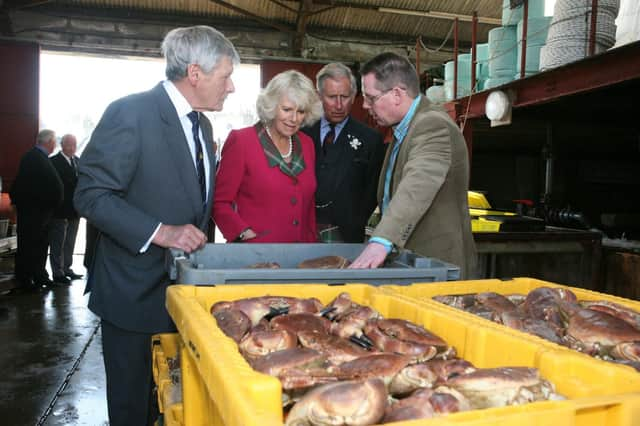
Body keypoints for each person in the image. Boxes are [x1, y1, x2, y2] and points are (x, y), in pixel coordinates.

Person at [73, 26, 239, 426]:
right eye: (226, 76)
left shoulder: (203, 126)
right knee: (133, 409)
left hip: (179, 296)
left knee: (169, 404)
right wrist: (161, 232)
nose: (231, 87)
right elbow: (91, 195)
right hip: (131, 294)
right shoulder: (130, 113)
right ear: (195, 73)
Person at [350, 52, 477, 279]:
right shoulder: (403, 130)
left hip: (436, 267)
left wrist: (382, 240)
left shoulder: (432, 125)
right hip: (411, 263)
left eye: (371, 98)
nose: (365, 105)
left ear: (397, 94)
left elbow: (418, 183)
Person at [213, 70, 322, 243]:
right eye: (286, 109)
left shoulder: (307, 143)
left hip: (301, 257)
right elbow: (219, 202)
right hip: (255, 256)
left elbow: (308, 207)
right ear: (271, 105)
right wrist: (242, 233)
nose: (293, 118)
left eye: (301, 111)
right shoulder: (242, 141)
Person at [301, 62, 385, 243]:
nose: (339, 105)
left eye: (344, 97)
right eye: (332, 97)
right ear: (319, 96)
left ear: (354, 96)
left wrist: (354, 221)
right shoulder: (300, 132)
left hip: (348, 237)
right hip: (301, 233)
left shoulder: (371, 139)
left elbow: (373, 192)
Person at [9, 129, 63, 292]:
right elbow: (28, 186)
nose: (55, 145)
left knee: (40, 246)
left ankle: (39, 276)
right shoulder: (33, 157)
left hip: (42, 212)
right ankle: (25, 280)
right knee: (29, 246)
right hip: (34, 212)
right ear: (49, 142)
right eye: (54, 142)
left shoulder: (39, 157)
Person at [49, 134, 83, 284]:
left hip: (75, 210)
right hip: (60, 209)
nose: (72, 147)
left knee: (70, 241)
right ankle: (57, 272)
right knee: (58, 242)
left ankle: (67, 268)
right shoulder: (53, 162)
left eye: (74, 144)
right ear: (62, 145)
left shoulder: (77, 161)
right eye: (69, 144)